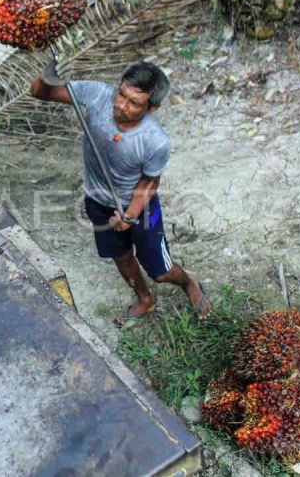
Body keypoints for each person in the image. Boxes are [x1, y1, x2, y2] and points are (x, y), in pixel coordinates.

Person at [29, 59, 212, 323]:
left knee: (160, 272)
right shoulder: (98, 95)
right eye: (121, 94)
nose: (121, 106)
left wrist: (128, 216)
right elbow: (39, 93)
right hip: (98, 201)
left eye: (134, 103)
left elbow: (149, 183)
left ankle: (189, 284)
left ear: (153, 107)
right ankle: (145, 299)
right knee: (122, 258)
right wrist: (48, 75)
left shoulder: (155, 140)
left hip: (140, 207)